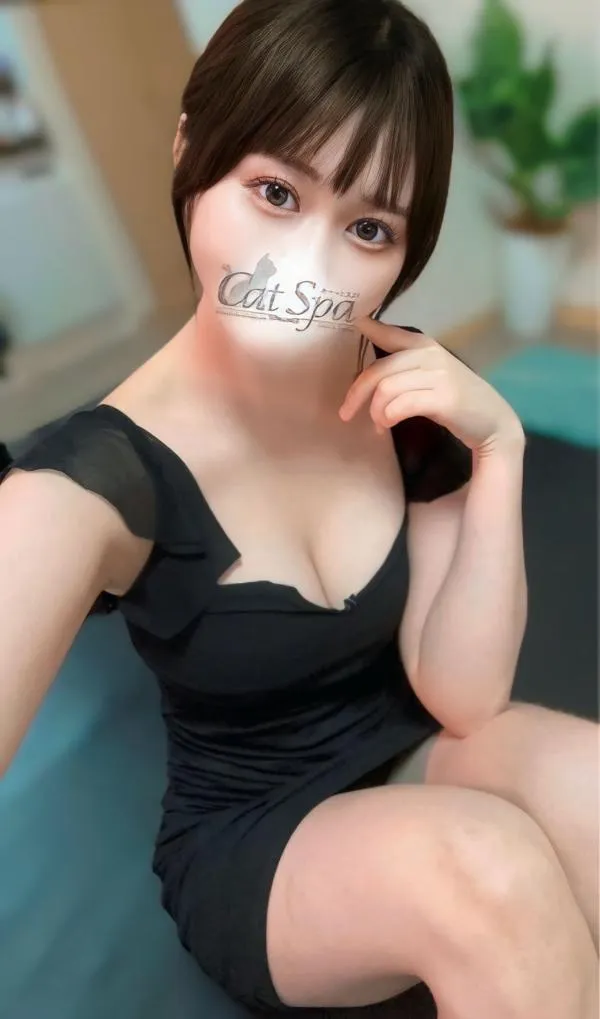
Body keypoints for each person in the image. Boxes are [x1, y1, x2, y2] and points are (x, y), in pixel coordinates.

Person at [0, 1, 597, 1016]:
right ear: (191, 151)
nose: (308, 268)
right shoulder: (93, 478)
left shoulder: (405, 392)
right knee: (490, 865)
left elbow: (463, 699)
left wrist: (498, 453)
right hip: (261, 846)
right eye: (275, 192)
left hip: (414, 755)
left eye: (367, 228)